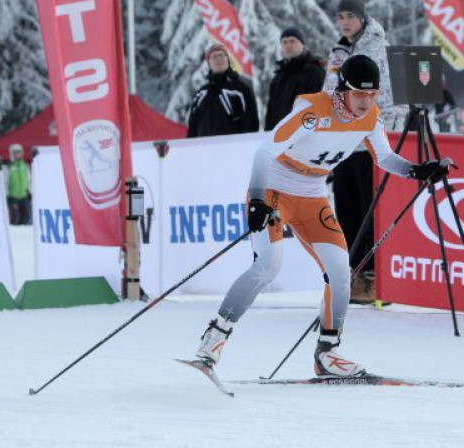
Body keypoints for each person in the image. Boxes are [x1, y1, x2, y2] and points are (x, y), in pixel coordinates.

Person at [189, 55, 449, 378]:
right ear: (343, 90)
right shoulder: (312, 112)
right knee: (268, 265)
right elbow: (264, 151)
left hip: (312, 194)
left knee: (341, 273)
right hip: (274, 187)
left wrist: (417, 171)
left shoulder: (370, 118)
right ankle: (214, 337)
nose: (366, 103)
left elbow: (384, 157)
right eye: (360, 95)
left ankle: (327, 353)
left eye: (373, 95)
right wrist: (257, 200)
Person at [324, 0, 408, 304]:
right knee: (345, 210)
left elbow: (395, 98)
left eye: (350, 17)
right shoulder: (337, 51)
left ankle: (374, 275)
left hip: (370, 142)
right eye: (341, 17)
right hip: (342, 144)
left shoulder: (379, 46)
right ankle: (355, 272)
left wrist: (387, 134)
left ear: (362, 19)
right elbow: (327, 94)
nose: (345, 23)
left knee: (369, 211)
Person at [186, 44, 259, 137]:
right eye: (214, 56)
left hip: (233, 147)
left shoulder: (241, 89)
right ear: (209, 63)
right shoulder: (201, 94)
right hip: (204, 148)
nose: (218, 59)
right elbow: (192, 128)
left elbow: (251, 123)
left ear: (227, 60)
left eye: (221, 55)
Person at [264, 27, 326, 131]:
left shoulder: (315, 71)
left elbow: (320, 107)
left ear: (302, 44)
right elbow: (271, 111)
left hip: (304, 134)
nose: (288, 45)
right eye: (285, 42)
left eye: (293, 41)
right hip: (279, 135)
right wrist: (268, 133)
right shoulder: (278, 77)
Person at [7, 143, 31, 225]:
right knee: (15, 219)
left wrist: (30, 192)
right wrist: (6, 195)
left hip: (24, 196)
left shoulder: (25, 166)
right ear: (11, 154)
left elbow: (29, 180)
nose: (17, 154)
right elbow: (5, 182)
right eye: (15, 152)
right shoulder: (8, 167)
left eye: (19, 152)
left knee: (26, 218)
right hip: (13, 197)